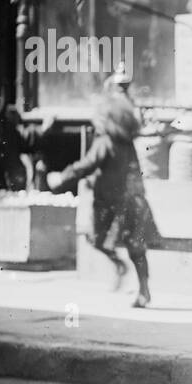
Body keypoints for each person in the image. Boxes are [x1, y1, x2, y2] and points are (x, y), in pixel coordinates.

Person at [47, 91, 159, 308]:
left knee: (95, 238)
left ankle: (118, 265)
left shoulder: (105, 142)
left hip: (110, 204)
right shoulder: (127, 144)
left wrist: (61, 177)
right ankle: (144, 290)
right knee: (136, 247)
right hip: (133, 202)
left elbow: (87, 164)